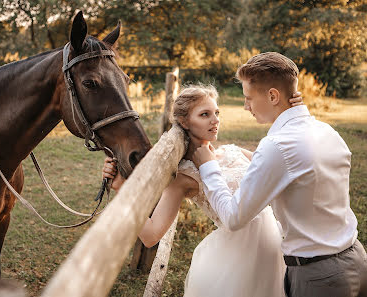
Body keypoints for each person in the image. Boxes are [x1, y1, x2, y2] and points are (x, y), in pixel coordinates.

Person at [192, 52, 367, 297]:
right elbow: (295, 171)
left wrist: (208, 167)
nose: (246, 106)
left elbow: (233, 218)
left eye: (249, 98)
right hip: (357, 260)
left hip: (318, 277)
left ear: (273, 96)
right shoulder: (326, 132)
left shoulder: (277, 145)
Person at [103, 84, 303, 296]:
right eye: (205, 114)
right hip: (236, 266)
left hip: (272, 253)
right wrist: (121, 188)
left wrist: (291, 113)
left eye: (216, 113)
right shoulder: (184, 178)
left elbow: (285, 167)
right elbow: (151, 235)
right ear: (184, 121)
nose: (215, 120)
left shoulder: (232, 151)